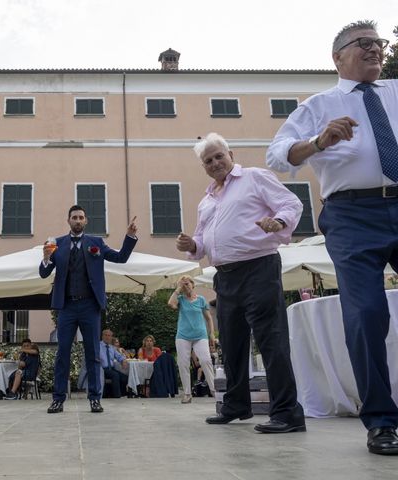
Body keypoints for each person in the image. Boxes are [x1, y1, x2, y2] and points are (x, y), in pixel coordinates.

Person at [266, 20, 398, 454]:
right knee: (365, 314)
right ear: (338, 56)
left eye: (378, 44)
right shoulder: (319, 105)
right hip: (352, 215)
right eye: (364, 44)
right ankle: (381, 420)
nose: (376, 50)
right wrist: (318, 142)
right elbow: (278, 155)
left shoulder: (396, 92)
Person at [177, 132, 305, 434]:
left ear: (230, 154)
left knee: (271, 340)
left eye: (218, 156)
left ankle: (287, 413)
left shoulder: (255, 177)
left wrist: (279, 222)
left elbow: (291, 203)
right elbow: (202, 240)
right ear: (204, 167)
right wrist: (191, 246)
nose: (215, 163)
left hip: (259, 267)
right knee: (231, 343)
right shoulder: (206, 200)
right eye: (208, 161)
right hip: (225, 276)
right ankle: (236, 405)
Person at [40, 205, 138, 413]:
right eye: (74, 217)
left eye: (81, 217)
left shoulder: (96, 243)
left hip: (89, 306)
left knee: (93, 353)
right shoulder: (58, 244)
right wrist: (46, 257)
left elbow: (121, 258)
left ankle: (95, 398)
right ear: (68, 221)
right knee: (62, 353)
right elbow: (43, 272)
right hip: (66, 306)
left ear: (86, 221)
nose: (77, 220)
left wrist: (129, 237)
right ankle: (58, 399)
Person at [168, 275, 216, 404]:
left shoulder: (201, 299)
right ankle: (187, 393)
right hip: (183, 336)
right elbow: (171, 304)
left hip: (200, 335)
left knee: (206, 360)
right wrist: (178, 289)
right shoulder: (180, 299)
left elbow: (209, 318)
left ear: (193, 285)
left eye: (188, 283)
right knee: (183, 364)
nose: (186, 285)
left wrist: (212, 333)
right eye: (183, 284)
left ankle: (214, 390)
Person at [99, 329, 129, 398]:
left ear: (111, 337)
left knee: (125, 378)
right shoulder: (98, 346)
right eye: (105, 335)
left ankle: (122, 395)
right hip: (102, 369)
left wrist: (123, 361)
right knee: (115, 375)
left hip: (111, 369)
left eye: (109, 336)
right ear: (102, 336)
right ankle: (117, 397)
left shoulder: (112, 348)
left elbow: (119, 356)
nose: (107, 337)